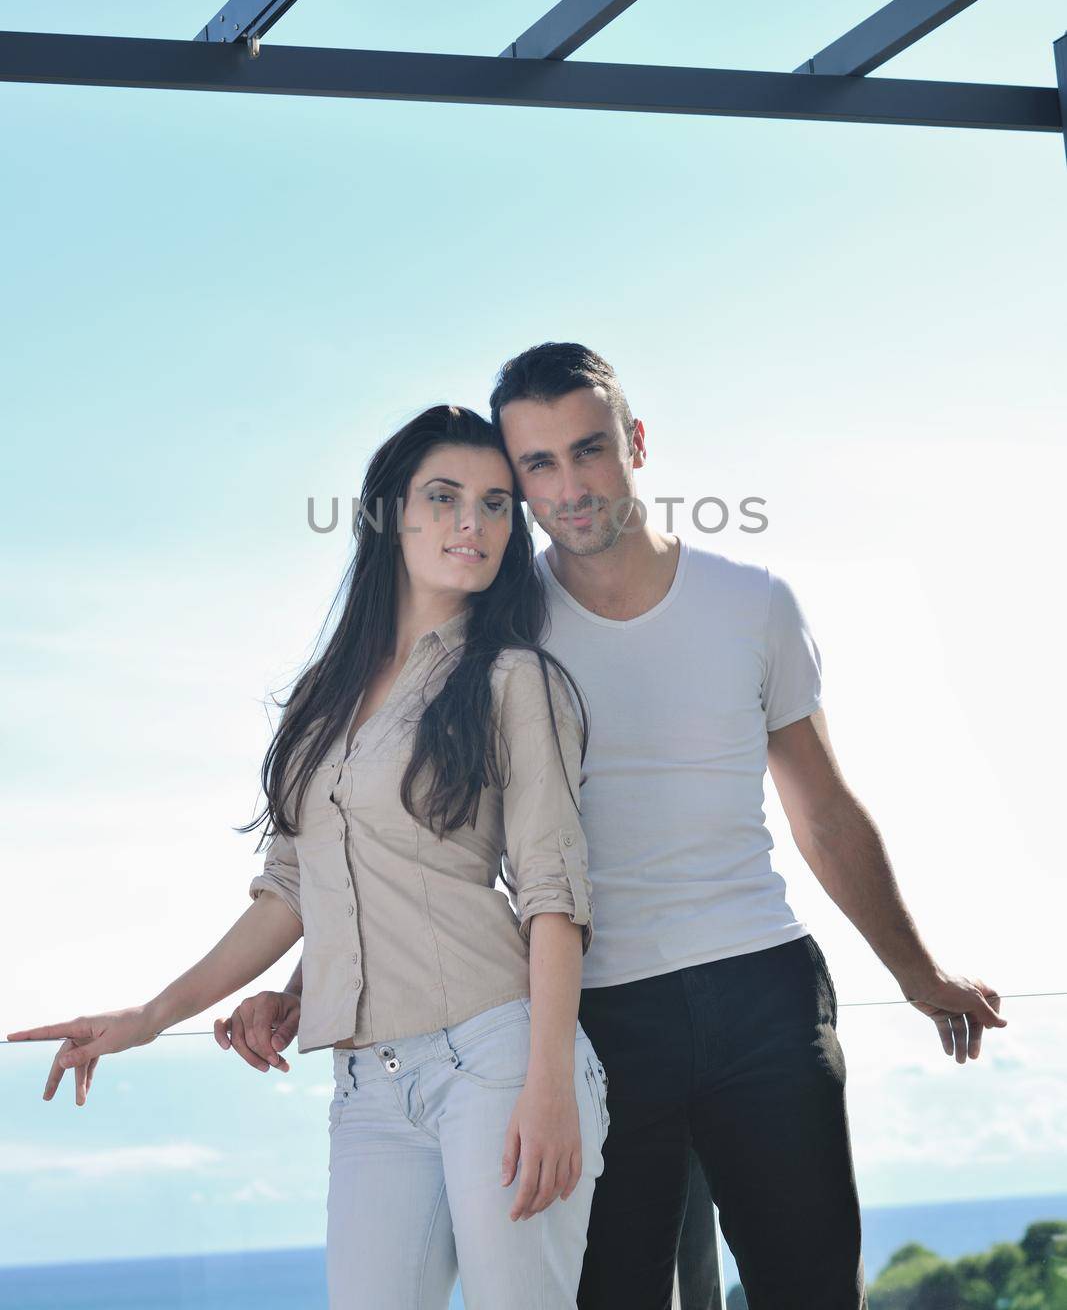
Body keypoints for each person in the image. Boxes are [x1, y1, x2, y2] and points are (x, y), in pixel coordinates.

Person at [216, 343, 1009, 1310]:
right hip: (588, 1017)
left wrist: (916, 974)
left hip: (759, 987)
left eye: (588, 450)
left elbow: (824, 812)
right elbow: (405, 841)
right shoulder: (497, 636)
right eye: (537, 467)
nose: (570, 485)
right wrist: (311, 979)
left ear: (634, 442)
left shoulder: (752, 601)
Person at [5, 403, 612, 1310]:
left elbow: (553, 897)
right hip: (366, 1085)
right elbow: (293, 888)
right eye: (442, 498)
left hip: (499, 1058)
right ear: (387, 516)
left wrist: (550, 1084)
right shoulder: (322, 702)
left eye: (494, 506)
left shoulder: (511, 680)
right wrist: (153, 1014)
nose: (471, 525)